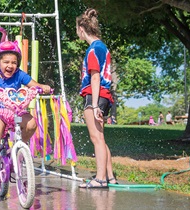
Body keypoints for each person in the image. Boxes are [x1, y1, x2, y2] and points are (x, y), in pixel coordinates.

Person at [0, 40, 51, 183]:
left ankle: (17, 150)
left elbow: (34, 85)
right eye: (6, 62)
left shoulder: (19, 75)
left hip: (15, 111)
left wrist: (42, 87)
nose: (10, 65)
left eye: (14, 62)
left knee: (32, 123)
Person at [76, 8, 117, 188]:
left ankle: (100, 179)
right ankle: (109, 176)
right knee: (101, 138)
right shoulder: (102, 47)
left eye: (77, 30)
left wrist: (94, 106)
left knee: (96, 138)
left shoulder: (93, 49)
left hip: (95, 96)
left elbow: (95, 77)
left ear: (82, 30)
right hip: (103, 96)